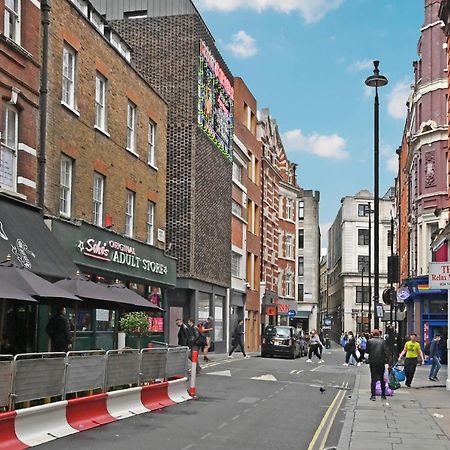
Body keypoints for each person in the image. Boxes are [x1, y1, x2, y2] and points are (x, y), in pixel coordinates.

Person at [366, 329, 389, 401]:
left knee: (373, 379)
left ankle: (373, 396)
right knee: (382, 378)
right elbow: (386, 352)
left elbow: (367, 351)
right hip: (381, 362)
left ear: (373, 334)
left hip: (372, 362)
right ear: (379, 334)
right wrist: (387, 361)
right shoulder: (383, 341)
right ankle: (383, 395)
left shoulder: (369, 341)